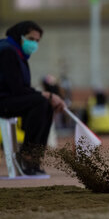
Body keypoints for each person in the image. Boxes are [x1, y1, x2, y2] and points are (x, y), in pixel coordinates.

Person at [0, 21, 66, 175]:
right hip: (3, 101)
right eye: (31, 38)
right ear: (19, 35)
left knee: (45, 104)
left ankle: (34, 158)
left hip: (9, 98)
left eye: (37, 41)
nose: (34, 43)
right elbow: (17, 89)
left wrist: (47, 97)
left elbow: (21, 88)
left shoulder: (17, 53)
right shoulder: (7, 51)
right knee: (41, 102)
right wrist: (48, 94)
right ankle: (27, 155)